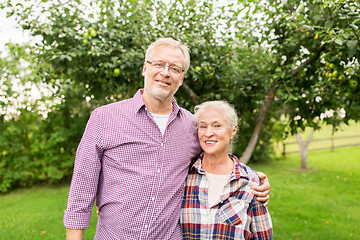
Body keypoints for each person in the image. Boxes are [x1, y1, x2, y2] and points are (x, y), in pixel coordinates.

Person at [64, 37, 270, 240]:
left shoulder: (192, 126)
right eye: (159, 64)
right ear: (145, 68)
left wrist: (252, 179)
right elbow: (81, 188)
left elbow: (214, 160)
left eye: (174, 68)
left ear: (181, 78)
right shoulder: (104, 118)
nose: (165, 73)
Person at [181, 101, 273, 239]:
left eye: (217, 126)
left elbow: (264, 237)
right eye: (203, 126)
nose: (208, 133)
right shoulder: (183, 175)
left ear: (233, 130)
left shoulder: (250, 181)